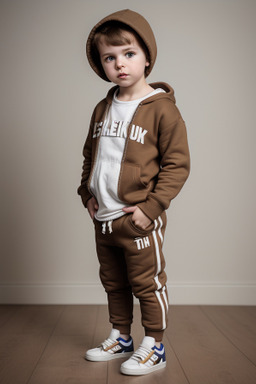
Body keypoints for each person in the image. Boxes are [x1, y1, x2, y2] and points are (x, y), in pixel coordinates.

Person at [77, 9, 190, 376]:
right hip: (104, 219)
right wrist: (87, 194)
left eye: (128, 53)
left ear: (146, 56)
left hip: (138, 219)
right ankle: (121, 336)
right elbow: (90, 156)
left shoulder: (163, 112)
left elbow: (177, 165)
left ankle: (154, 345)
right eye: (109, 58)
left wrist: (151, 208)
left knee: (147, 283)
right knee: (113, 281)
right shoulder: (102, 108)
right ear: (101, 64)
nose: (120, 65)